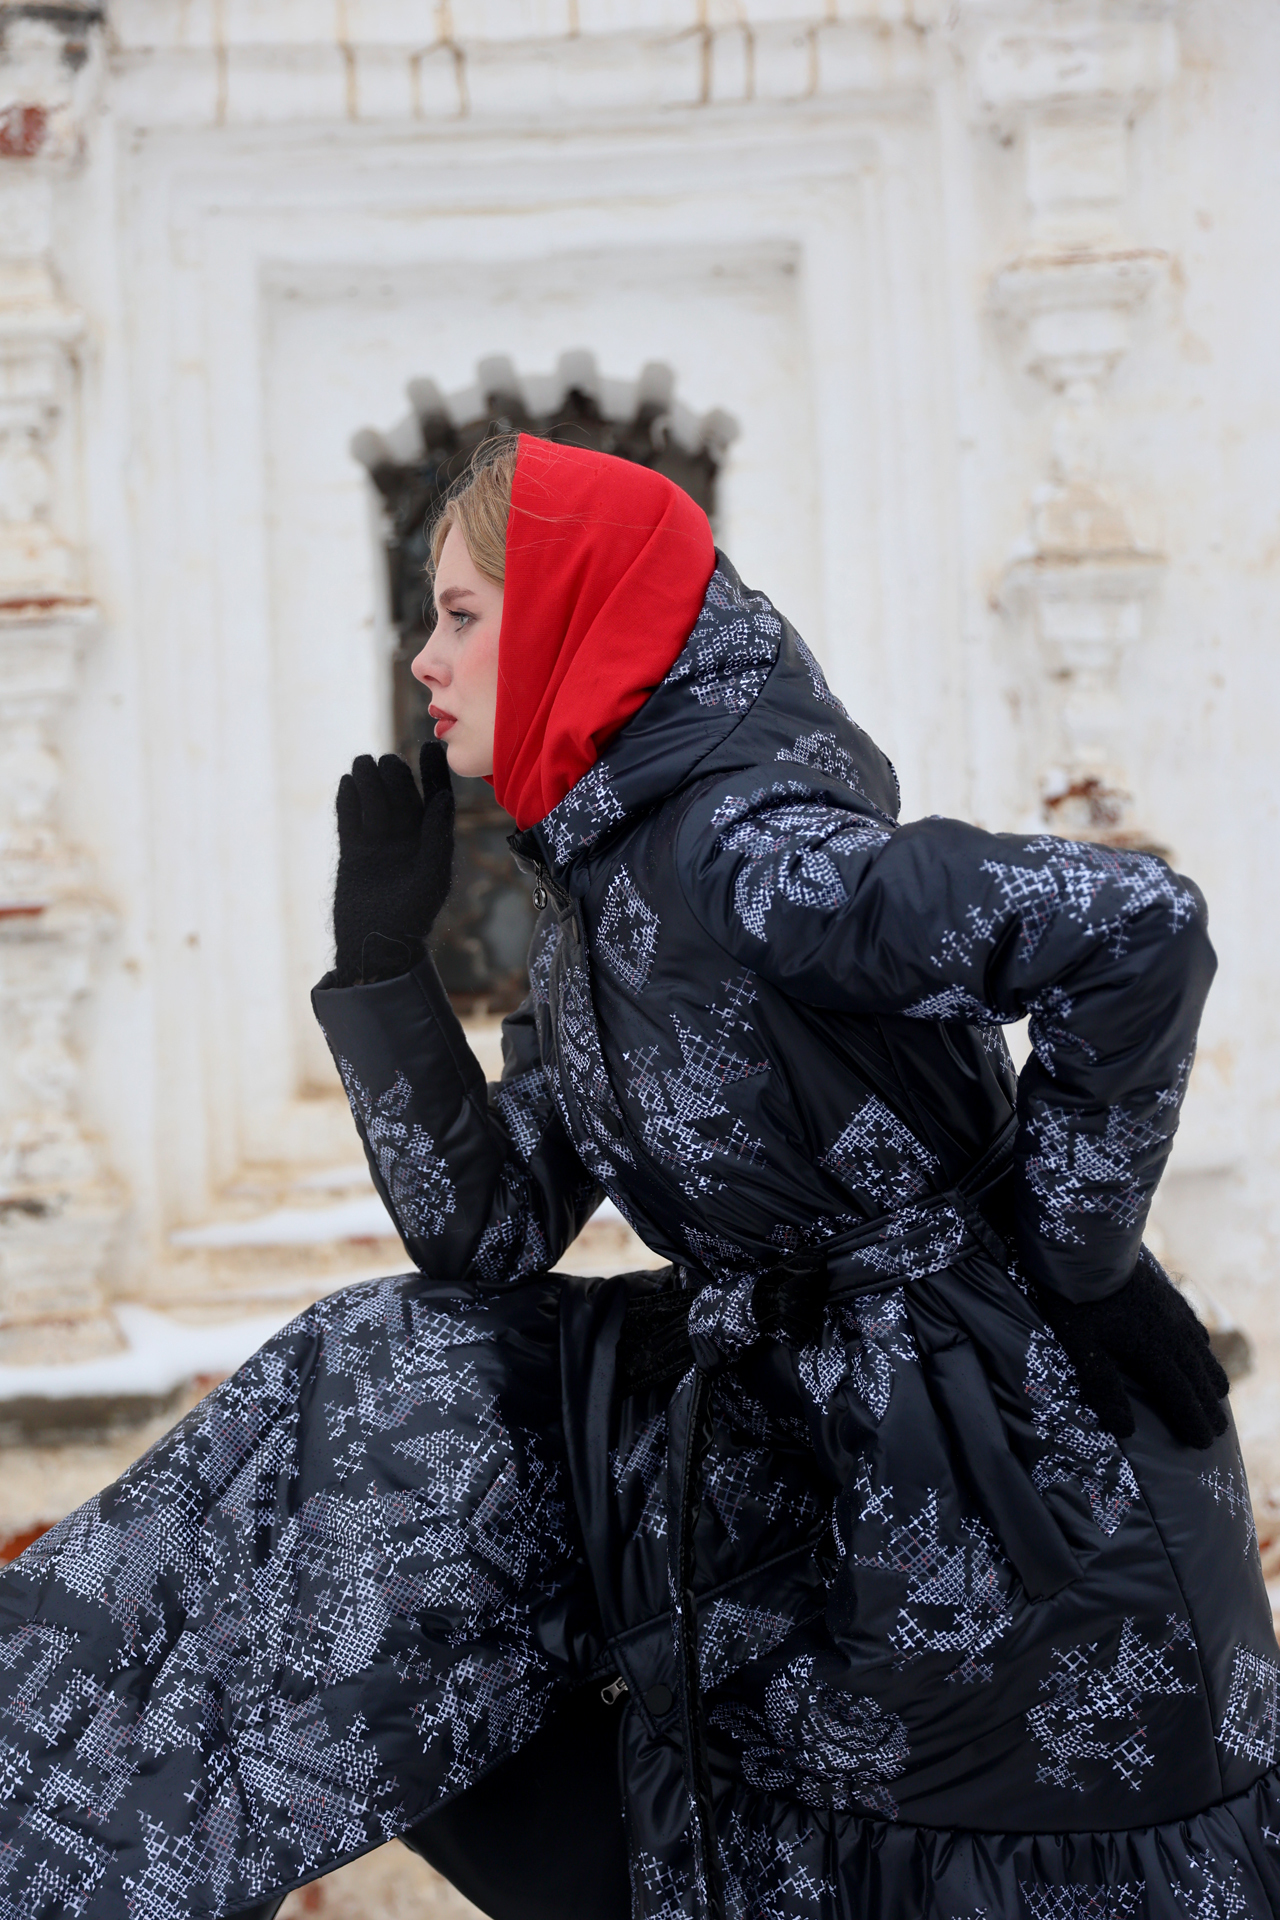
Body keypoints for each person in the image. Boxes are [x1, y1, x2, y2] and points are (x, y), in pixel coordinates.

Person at [0, 433, 1274, 1920]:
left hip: (993, 1471)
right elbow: (491, 1233)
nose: (425, 658)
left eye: (462, 614)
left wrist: (1076, 1255)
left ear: (569, 619)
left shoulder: (745, 848)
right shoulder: (599, 895)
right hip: (804, 1445)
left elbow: (1136, 925)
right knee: (374, 1390)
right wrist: (383, 969)